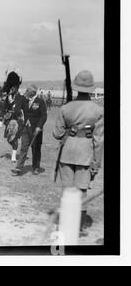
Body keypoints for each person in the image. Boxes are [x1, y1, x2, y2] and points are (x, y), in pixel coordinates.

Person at [52, 70, 104, 233]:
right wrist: (97, 163)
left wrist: (70, 127)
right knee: (81, 190)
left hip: (67, 152)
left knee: (67, 189)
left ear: (76, 88)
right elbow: (99, 140)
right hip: (86, 154)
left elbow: (57, 134)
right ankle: (77, 226)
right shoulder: (98, 110)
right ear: (91, 89)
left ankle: (65, 223)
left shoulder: (66, 108)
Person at [11, 84, 47, 175]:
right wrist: (21, 98)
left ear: (33, 92)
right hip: (26, 128)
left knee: (35, 148)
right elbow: (17, 109)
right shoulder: (24, 100)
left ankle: (36, 167)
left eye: (27, 90)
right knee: (23, 147)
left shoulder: (40, 101)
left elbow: (44, 115)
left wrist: (39, 126)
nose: (26, 92)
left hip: (36, 129)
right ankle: (19, 167)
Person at [1, 71, 25, 163]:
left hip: (18, 119)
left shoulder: (21, 97)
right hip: (9, 119)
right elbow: (4, 108)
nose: (12, 89)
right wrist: (0, 118)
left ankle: (14, 156)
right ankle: (14, 148)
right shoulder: (8, 98)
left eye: (14, 87)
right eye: (11, 87)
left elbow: (25, 109)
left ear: (17, 87)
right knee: (9, 138)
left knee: (15, 138)